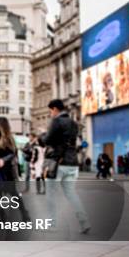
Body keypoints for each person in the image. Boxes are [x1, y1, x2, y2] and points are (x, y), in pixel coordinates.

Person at [43, 99, 90, 233]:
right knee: (71, 194)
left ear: (55, 109)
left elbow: (48, 140)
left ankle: (51, 224)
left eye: (50, 111)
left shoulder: (57, 121)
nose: (51, 113)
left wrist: (43, 136)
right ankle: (84, 222)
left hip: (59, 162)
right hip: (73, 163)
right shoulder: (74, 123)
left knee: (51, 194)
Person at [0, 117, 30, 222]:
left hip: (7, 172)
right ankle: (1, 217)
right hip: (0, 171)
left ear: (1, 125)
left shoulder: (8, 137)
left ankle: (24, 215)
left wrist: (3, 160)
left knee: (13, 195)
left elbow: (12, 153)